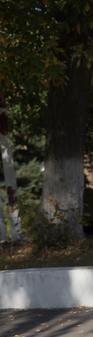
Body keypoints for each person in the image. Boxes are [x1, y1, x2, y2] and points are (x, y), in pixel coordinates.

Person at [0, 93, 22, 243]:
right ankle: (5, 235)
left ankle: (16, 233)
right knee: (11, 187)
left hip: (4, 140)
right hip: (4, 140)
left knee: (11, 188)